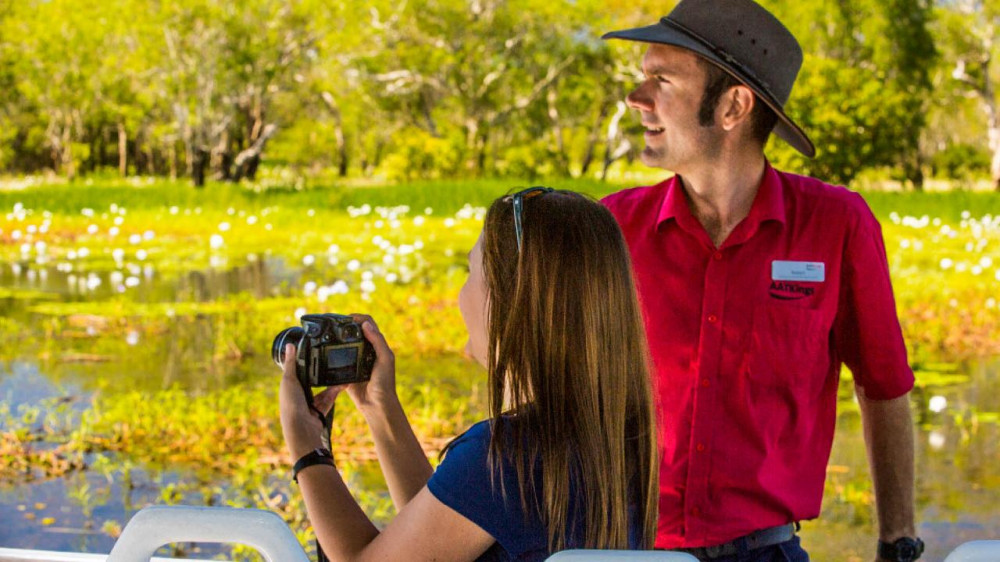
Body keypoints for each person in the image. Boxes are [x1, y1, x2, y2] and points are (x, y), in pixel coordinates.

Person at [599, 1, 922, 560]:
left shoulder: (838, 225)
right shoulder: (610, 227)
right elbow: (543, 383)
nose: (636, 97)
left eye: (661, 79)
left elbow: (884, 384)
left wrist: (898, 541)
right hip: (623, 548)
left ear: (733, 106)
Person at [278, 189, 660, 561]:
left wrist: (308, 449)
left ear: (510, 303)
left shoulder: (507, 456)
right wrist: (381, 410)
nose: (460, 293)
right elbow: (443, 531)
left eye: (470, 272)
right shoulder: (614, 439)